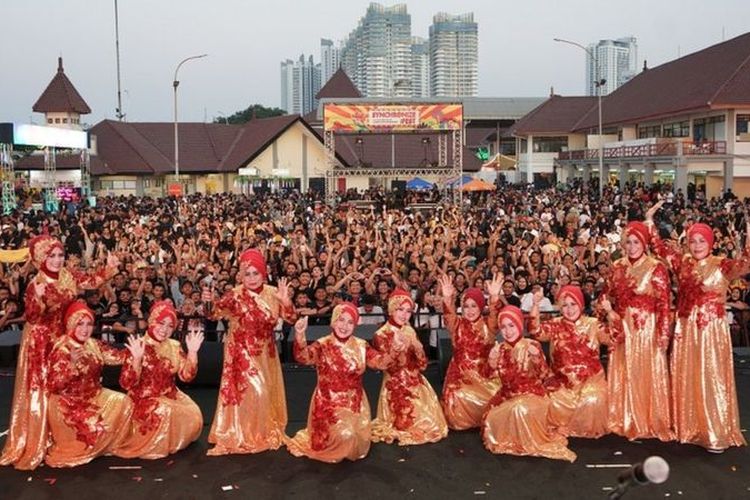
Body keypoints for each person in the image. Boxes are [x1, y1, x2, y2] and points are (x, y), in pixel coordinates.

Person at [1, 234, 119, 470]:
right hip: (41, 341)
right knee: (42, 388)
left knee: (65, 385)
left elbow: (89, 280)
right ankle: (38, 439)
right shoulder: (36, 284)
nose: (57, 260)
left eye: (60, 255)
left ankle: (64, 436)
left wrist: (109, 270)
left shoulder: (68, 275)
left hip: (64, 336)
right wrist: (38, 298)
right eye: (51, 256)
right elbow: (32, 318)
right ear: (41, 258)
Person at [646, 201, 748, 452]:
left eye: (702, 241)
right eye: (693, 241)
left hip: (710, 330)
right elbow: (658, 248)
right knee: (687, 374)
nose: (697, 245)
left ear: (710, 242)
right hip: (684, 328)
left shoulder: (723, 264)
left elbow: (746, 263)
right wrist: (649, 220)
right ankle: (688, 426)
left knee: (710, 375)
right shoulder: (683, 262)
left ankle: (714, 431)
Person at [204, 248, 296, 455]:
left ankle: (259, 432)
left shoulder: (274, 293)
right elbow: (212, 314)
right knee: (255, 390)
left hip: (266, 353)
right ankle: (241, 433)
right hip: (240, 352)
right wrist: (207, 300)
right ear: (241, 275)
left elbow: (291, 319)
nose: (252, 278)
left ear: (263, 273)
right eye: (247, 274)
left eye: (256, 273)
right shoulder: (234, 295)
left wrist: (286, 302)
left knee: (261, 394)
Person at [286, 304, 390, 463]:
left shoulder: (362, 345)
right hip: (328, 405)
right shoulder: (323, 344)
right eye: (341, 320)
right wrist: (300, 335)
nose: (345, 326)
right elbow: (303, 357)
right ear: (333, 321)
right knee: (345, 436)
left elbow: (381, 363)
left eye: (350, 322)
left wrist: (395, 349)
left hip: (355, 406)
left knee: (355, 441)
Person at [604, 221, 673, 441]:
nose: (632, 246)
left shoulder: (656, 267)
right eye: (628, 242)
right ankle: (624, 417)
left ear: (644, 243)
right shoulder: (617, 266)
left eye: (636, 242)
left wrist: (663, 333)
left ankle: (648, 419)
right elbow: (606, 295)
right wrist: (606, 313)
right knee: (624, 370)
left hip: (647, 328)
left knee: (646, 370)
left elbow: (664, 303)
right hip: (623, 326)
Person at [45, 301, 133, 467]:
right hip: (67, 404)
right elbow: (53, 386)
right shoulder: (61, 347)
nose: (85, 329)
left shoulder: (93, 343)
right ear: (71, 324)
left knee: (124, 402)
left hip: (95, 396)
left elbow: (117, 356)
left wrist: (136, 352)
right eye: (80, 324)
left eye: (89, 324)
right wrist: (71, 365)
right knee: (96, 430)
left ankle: (110, 445)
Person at [482, 305, 576, 462]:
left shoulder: (532, 345)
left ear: (519, 325)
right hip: (507, 397)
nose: (507, 331)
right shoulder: (500, 349)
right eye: (503, 327)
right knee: (491, 418)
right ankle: (514, 439)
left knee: (519, 409)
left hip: (533, 397)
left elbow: (544, 375)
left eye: (511, 325)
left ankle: (525, 441)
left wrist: (537, 358)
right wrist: (492, 359)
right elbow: (488, 376)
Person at [115, 300, 204, 459]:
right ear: (152, 321)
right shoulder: (139, 344)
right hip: (143, 399)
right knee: (165, 410)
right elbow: (126, 383)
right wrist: (136, 360)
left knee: (195, 413)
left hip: (171, 395)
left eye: (170, 326)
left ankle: (172, 439)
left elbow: (186, 377)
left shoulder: (174, 345)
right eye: (161, 323)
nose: (165, 329)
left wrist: (192, 353)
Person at [528, 285, 620, 438]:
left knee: (593, 399)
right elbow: (535, 331)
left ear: (581, 305)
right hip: (562, 384)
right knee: (550, 401)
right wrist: (536, 304)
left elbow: (614, 338)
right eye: (565, 305)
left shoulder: (593, 324)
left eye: (573, 304)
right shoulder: (555, 324)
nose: (569, 309)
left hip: (591, 382)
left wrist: (610, 311)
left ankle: (579, 427)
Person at [370, 289, 448, 445]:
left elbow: (423, 365)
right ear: (392, 309)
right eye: (400, 309)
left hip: (416, 383)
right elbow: (388, 367)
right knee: (415, 423)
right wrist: (396, 350)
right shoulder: (381, 334)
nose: (404, 315)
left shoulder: (410, 329)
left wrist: (418, 348)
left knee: (433, 423)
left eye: (408, 311)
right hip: (395, 387)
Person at [439, 274, 502, 430]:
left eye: (474, 306)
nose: (470, 310)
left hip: (485, 376)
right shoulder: (457, 324)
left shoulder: (489, 325)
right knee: (456, 399)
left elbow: (496, 314)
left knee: (498, 401)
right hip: (460, 378)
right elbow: (448, 315)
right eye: (466, 306)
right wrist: (447, 298)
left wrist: (494, 297)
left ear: (481, 306)